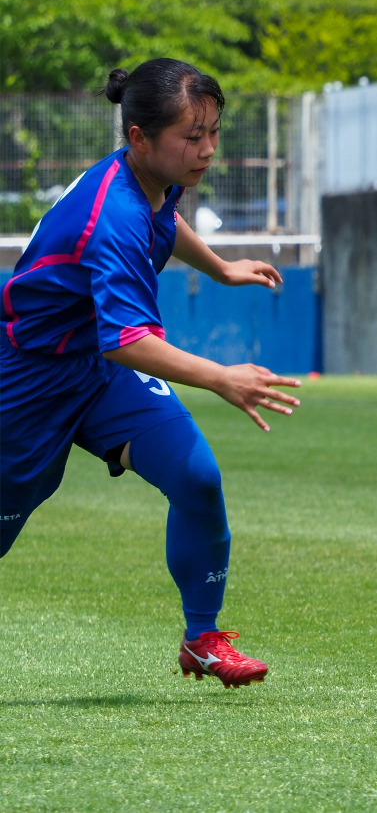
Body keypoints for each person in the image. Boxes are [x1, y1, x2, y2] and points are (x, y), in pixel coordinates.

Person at [0, 59, 302, 686]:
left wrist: (218, 267)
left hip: (94, 371)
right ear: (138, 136)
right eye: (193, 136)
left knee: (196, 478)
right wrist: (222, 376)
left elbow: (165, 217)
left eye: (213, 131)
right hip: (27, 381)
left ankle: (203, 639)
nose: (208, 150)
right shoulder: (112, 215)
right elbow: (129, 342)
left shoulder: (155, 177)